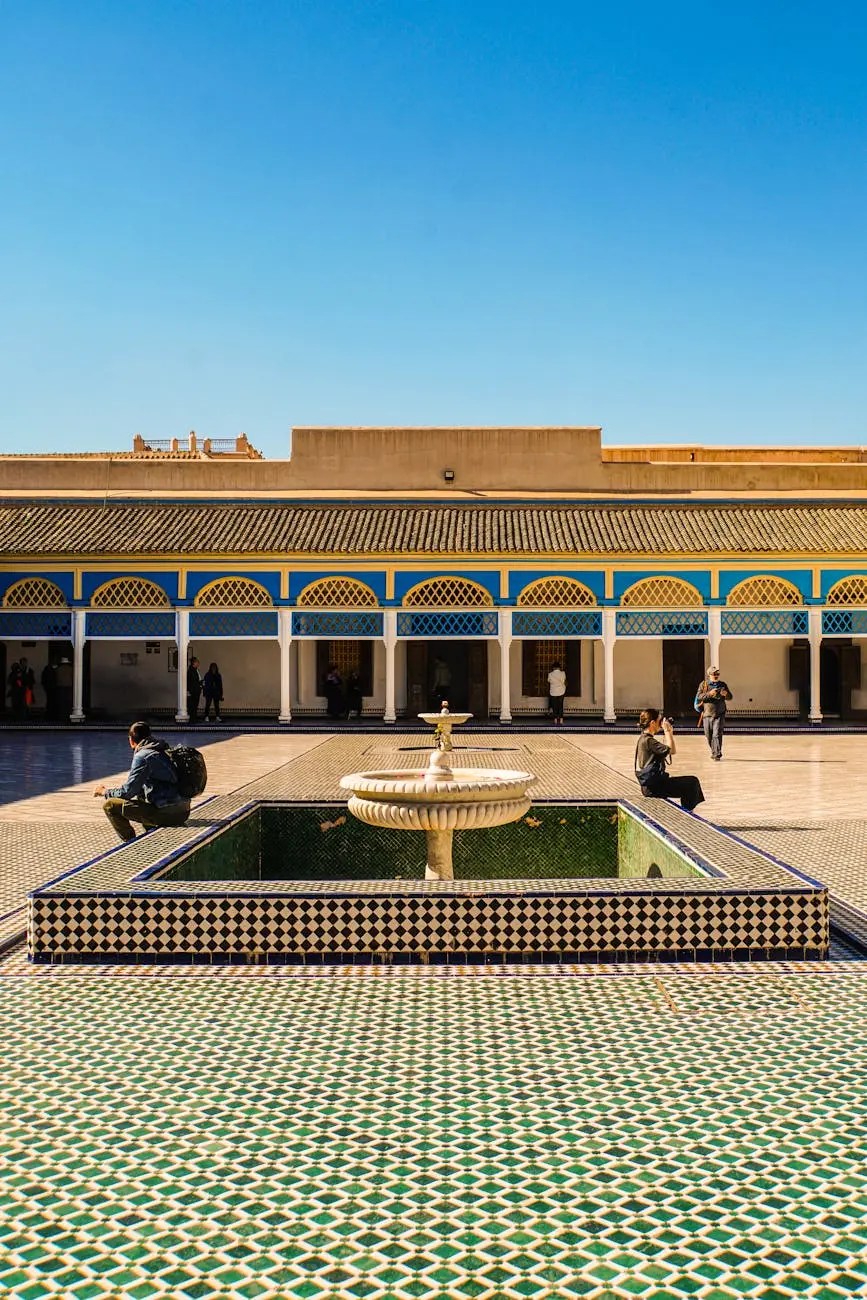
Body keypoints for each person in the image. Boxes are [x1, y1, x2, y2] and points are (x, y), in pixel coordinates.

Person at [94, 720, 191, 841]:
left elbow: (128, 792)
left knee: (110, 806)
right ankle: (151, 837)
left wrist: (105, 792)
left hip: (168, 814)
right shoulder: (162, 748)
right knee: (141, 797)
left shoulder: (142, 756)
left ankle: (130, 844)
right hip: (184, 810)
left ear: (131, 740)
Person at [634, 708, 705, 812]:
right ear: (652, 723)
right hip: (655, 787)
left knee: (689, 783)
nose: (661, 724)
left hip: (651, 785)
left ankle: (687, 811)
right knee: (692, 783)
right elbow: (672, 750)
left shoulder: (643, 738)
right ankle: (687, 813)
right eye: (659, 721)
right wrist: (667, 731)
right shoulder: (649, 741)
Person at [694, 666, 733, 761]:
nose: (716, 676)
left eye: (717, 674)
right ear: (709, 675)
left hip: (719, 714)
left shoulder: (722, 684)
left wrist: (726, 694)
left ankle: (717, 755)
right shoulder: (703, 685)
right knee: (709, 735)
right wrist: (709, 694)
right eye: (714, 674)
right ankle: (714, 751)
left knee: (717, 734)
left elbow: (730, 697)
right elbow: (699, 697)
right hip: (707, 714)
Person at [547, 661, 567, 725]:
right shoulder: (563, 673)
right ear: (559, 667)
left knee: (554, 706)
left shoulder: (550, 674)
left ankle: (555, 720)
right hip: (561, 691)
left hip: (553, 692)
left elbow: (549, 681)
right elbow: (564, 681)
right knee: (560, 706)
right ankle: (561, 720)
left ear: (553, 668)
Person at [187, 656, 203, 722]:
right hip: (193, 691)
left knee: (195, 705)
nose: (198, 663)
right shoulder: (191, 671)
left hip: (196, 690)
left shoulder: (195, 670)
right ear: (194, 663)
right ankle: (192, 719)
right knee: (193, 705)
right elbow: (191, 681)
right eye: (197, 662)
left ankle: (194, 718)